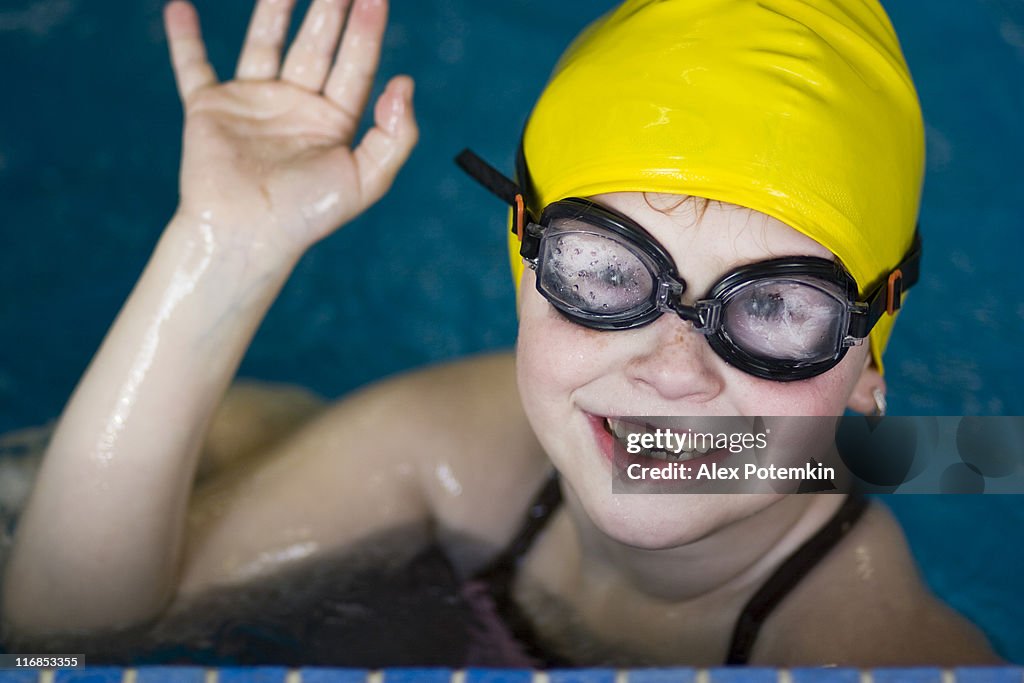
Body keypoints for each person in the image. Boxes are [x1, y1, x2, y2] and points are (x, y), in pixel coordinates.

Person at [0, 0, 1002, 667]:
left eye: (775, 307)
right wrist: (223, 252)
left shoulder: (876, 648)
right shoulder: (467, 443)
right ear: (524, 272)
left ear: (869, 362)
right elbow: (63, 638)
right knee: (227, 434)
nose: (673, 369)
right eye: (609, 270)